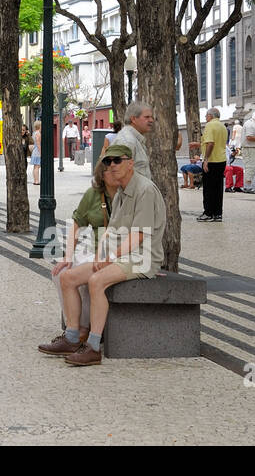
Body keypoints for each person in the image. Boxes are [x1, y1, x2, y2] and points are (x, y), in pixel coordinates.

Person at [45, 143, 167, 366]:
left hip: (142, 257)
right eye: (108, 162)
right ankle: (72, 338)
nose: (112, 165)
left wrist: (108, 258)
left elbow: (139, 236)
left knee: (96, 281)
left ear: (130, 163)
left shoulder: (144, 190)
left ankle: (92, 347)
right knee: (67, 277)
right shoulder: (122, 191)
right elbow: (110, 231)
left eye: (117, 160)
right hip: (120, 255)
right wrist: (102, 254)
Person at [39, 160, 111, 353]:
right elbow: (77, 224)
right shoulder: (93, 195)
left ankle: (83, 330)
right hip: (92, 248)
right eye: (107, 170)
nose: (112, 173)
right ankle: (75, 326)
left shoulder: (126, 196)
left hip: (112, 252)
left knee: (87, 274)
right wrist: (68, 255)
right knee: (60, 272)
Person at [198, 107, 227, 223]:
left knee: (208, 188)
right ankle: (217, 213)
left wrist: (206, 160)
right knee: (218, 188)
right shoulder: (223, 126)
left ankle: (208, 213)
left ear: (210, 116)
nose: (205, 118)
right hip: (222, 159)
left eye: (206, 116)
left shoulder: (209, 126)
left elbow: (211, 143)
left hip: (212, 161)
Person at [115, 102, 155, 182]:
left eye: (151, 117)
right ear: (133, 119)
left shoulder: (135, 140)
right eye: (146, 117)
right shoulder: (127, 141)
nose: (151, 120)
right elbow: (119, 176)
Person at [240, 110, 255, 192]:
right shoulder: (251, 125)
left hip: (250, 148)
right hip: (249, 148)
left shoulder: (250, 123)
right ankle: (247, 187)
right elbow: (249, 137)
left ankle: (247, 186)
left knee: (250, 167)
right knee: (250, 167)